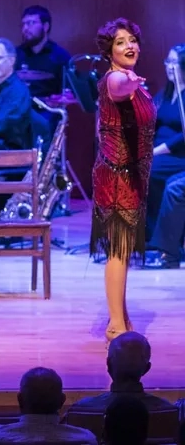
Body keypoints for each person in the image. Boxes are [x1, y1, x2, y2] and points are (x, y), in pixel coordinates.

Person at [89, 18, 156, 343]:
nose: (129, 46)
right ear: (109, 51)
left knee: (124, 250)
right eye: (120, 42)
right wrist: (128, 83)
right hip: (116, 178)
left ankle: (122, 317)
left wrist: (134, 84)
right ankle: (116, 325)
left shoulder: (136, 83)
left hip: (132, 177)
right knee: (118, 250)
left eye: (132, 40)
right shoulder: (115, 79)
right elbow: (118, 86)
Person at [144, 44, 185, 268]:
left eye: (174, 62)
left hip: (178, 155)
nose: (169, 66)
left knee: (149, 172)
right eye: (167, 62)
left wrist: (154, 152)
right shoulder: (166, 93)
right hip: (159, 152)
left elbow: (182, 137)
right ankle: (144, 237)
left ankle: (160, 242)